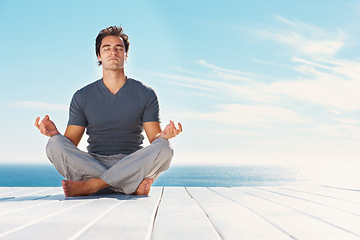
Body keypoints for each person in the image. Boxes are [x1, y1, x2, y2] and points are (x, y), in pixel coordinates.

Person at [34, 26, 182, 197]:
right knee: (54, 144)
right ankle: (128, 185)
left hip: (131, 162)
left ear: (126, 55)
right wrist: (55, 133)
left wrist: (164, 136)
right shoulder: (82, 96)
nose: (113, 52)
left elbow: (155, 139)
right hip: (92, 163)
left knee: (165, 148)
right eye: (107, 48)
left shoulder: (146, 93)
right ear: (99, 55)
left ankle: (95, 185)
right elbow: (69, 143)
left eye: (119, 48)